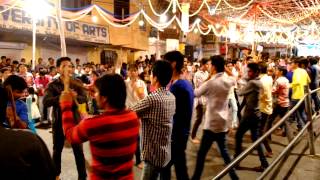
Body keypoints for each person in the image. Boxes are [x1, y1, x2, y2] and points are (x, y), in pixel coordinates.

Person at [60, 73, 139, 179]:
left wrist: (65, 104)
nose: (94, 95)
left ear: (104, 98)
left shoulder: (94, 124)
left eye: (96, 92)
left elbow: (70, 135)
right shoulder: (133, 117)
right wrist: (98, 92)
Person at [191, 55, 239, 180]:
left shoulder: (211, 83)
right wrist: (224, 69)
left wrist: (207, 78)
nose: (209, 66)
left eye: (211, 64)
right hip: (222, 123)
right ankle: (235, 177)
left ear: (213, 66)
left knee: (201, 155)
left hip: (211, 124)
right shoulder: (228, 81)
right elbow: (235, 77)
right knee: (224, 152)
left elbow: (195, 93)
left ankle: (195, 178)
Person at [43, 57, 87, 180]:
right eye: (64, 66)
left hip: (75, 122)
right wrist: (61, 97)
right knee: (57, 150)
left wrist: (76, 97)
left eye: (69, 66)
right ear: (58, 69)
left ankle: (82, 176)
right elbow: (46, 102)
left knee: (79, 151)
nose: (67, 68)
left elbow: (85, 98)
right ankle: (56, 175)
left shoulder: (77, 82)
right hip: (58, 122)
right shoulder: (52, 85)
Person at [131, 60, 176, 180]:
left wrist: (139, 94)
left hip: (152, 156)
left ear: (155, 78)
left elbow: (129, 114)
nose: (149, 76)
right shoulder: (171, 97)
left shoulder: (152, 99)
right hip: (165, 152)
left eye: (151, 74)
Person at [164, 51, 194, 180]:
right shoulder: (185, 83)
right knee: (179, 167)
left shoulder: (178, 86)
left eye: (166, 62)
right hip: (181, 132)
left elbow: (172, 113)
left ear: (173, 64)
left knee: (166, 167)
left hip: (176, 134)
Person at [235, 63, 269, 172]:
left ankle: (236, 160)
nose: (248, 73)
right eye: (248, 71)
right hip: (257, 114)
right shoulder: (258, 81)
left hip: (250, 115)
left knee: (238, 135)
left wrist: (240, 82)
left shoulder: (253, 83)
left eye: (250, 71)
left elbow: (240, 93)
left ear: (256, 72)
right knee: (256, 140)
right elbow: (245, 80)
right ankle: (264, 163)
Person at [125, 64, 148, 169]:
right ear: (128, 72)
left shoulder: (141, 83)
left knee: (139, 137)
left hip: (139, 112)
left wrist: (137, 89)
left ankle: (139, 160)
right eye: (130, 71)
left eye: (134, 71)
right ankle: (134, 159)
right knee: (132, 136)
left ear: (137, 72)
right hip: (128, 112)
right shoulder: (125, 83)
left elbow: (145, 98)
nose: (133, 72)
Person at [191, 58, 209, 143]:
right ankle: (193, 136)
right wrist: (210, 78)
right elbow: (201, 86)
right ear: (203, 65)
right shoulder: (198, 74)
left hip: (207, 99)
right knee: (199, 119)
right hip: (200, 99)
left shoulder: (207, 73)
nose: (209, 66)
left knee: (207, 118)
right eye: (207, 64)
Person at [258, 62, 273, 157]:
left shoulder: (261, 81)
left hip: (262, 108)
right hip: (266, 107)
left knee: (260, 132)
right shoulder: (269, 78)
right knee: (259, 130)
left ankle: (268, 150)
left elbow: (264, 95)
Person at [290, 58, 310, 130]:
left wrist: (289, 85)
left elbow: (297, 82)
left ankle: (286, 132)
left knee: (289, 114)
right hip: (303, 95)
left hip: (296, 96)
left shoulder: (296, 71)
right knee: (301, 113)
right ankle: (308, 128)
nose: (291, 65)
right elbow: (309, 81)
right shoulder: (304, 71)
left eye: (292, 63)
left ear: (296, 64)